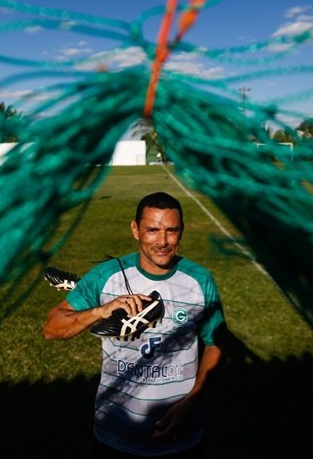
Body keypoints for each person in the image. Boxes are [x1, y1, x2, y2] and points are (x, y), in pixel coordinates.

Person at [43, 191, 227, 458]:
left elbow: (216, 343)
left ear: (182, 231)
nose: (162, 241)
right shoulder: (106, 277)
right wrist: (100, 311)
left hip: (181, 436)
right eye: (152, 230)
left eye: (171, 231)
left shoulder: (200, 280)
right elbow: (51, 329)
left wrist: (193, 399)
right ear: (135, 229)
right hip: (115, 434)